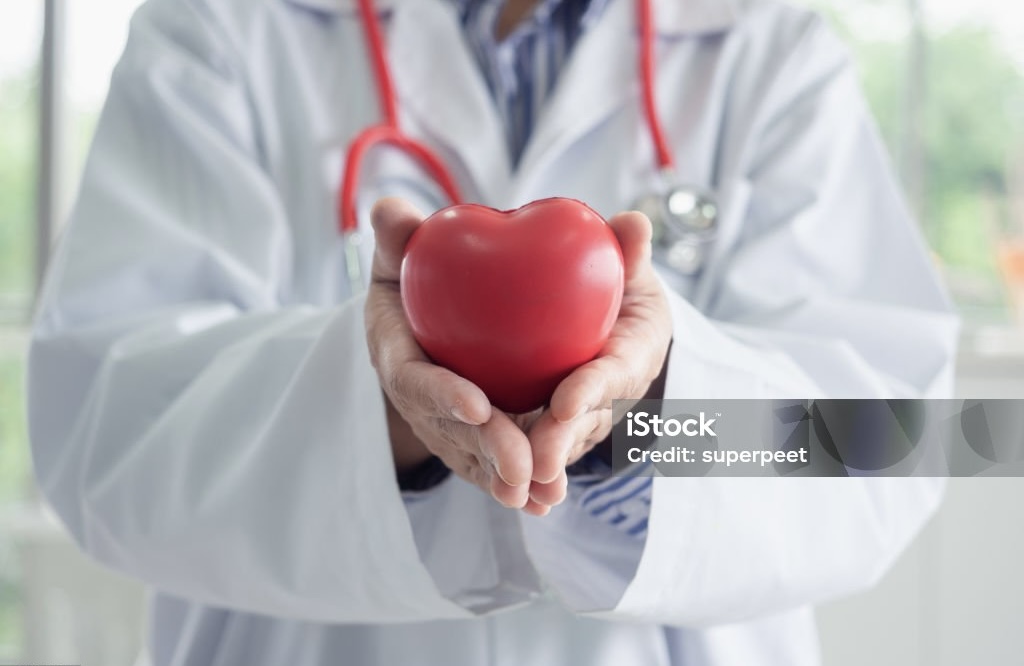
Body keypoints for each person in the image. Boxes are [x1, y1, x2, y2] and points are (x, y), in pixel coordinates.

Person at [27, 0, 958, 664]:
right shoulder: (218, 29)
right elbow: (106, 436)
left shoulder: (774, 53)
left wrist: (648, 407)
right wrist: (386, 412)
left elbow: (890, 449)